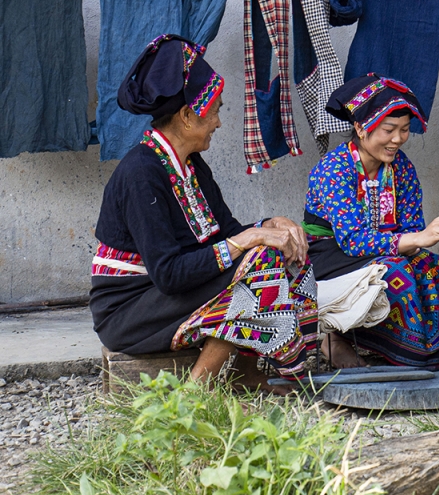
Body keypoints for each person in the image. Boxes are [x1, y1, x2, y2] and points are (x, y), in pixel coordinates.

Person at [90, 35, 317, 391]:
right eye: (215, 111)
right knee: (256, 269)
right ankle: (196, 394)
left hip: (168, 293)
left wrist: (269, 225)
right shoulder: (141, 174)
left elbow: (226, 232)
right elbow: (168, 273)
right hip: (131, 309)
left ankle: (245, 374)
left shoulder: (191, 165)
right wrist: (250, 239)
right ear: (186, 116)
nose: (218, 122)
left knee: (284, 250)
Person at [304, 75, 439, 368]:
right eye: (389, 130)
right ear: (361, 127)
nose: (398, 139)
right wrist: (415, 240)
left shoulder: (401, 167)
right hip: (331, 254)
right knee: (394, 272)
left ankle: (432, 349)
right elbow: (352, 239)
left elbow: (413, 227)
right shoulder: (334, 169)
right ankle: (404, 352)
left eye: (404, 130)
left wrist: (420, 239)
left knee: (437, 266)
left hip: (382, 250)